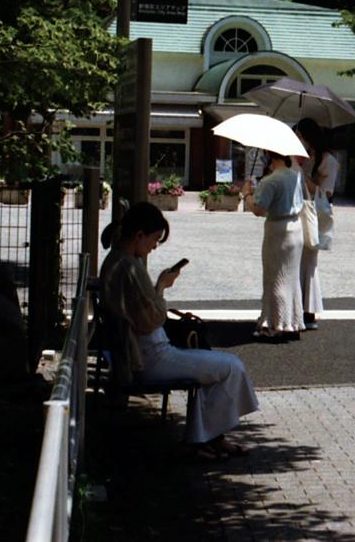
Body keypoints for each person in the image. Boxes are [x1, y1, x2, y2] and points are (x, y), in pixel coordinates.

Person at [99, 202, 259, 460]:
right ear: (139, 235)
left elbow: (143, 317)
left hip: (143, 351)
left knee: (218, 366)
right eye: (154, 239)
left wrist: (152, 304)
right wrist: (161, 288)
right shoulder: (128, 267)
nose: (154, 246)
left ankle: (208, 438)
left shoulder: (118, 262)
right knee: (232, 366)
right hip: (151, 357)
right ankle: (202, 439)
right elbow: (152, 319)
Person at [241, 151, 305, 341]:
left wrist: (246, 194)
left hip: (277, 232)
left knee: (274, 278)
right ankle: (291, 322)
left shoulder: (270, 181)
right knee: (291, 279)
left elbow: (259, 210)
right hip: (295, 229)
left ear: (270, 156)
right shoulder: (295, 175)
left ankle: (274, 326)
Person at [293, 118, 339, 331]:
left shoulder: (328, 161)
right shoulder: (306, 158)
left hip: (315, 216)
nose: (298, 140)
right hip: (301, 213)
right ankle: (299, 308)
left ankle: (308, 311)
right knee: (298, 261)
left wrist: (302, 174)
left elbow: (325, 193)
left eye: (300, 136)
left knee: (309, 262)